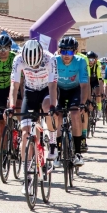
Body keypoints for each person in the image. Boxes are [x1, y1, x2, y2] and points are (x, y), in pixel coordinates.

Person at [8, 40, 58, 192]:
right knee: (25, 134)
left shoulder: (50, 59)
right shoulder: (18, 60)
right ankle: (27, 175)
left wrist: (52, 107)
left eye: (36, 65)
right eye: (31, 66)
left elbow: (53, 86)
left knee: (47, 107)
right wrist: (11, 106)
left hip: (46, 91)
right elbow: (14, 85)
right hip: (29, 92)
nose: (34, 68)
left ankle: (53, 142)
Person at [52, 36, 89, 167]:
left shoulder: (81, 61)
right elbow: (51, 84)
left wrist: (83, 103)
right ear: (59, 51)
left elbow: (84, 85)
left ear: (75, 51)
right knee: (58, 116)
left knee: (75, 114)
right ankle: (57, 150)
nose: (66, 55)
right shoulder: (54, 61)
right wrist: (53, 103)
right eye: (63, 51)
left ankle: (78, 153)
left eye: (70, 52)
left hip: (75, 90)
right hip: (59, 90)